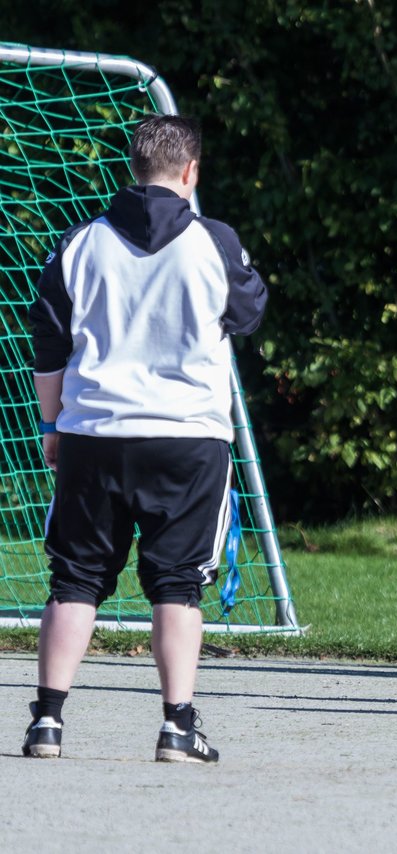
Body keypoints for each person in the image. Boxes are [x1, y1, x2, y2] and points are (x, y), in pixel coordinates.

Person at [22, 115, 267, 762]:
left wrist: (52, 427)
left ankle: (47, 720)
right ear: (191, 171)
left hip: (94, 431)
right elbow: (248, 312)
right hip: (187, 435)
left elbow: (47, 344)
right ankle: (177, 726)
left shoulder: (79, 243)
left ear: (134, 167)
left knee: (73, 579)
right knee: (177, 584)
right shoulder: (214, 241)